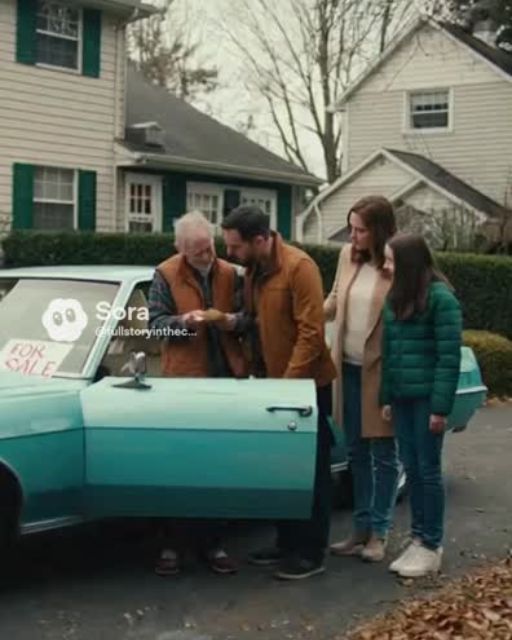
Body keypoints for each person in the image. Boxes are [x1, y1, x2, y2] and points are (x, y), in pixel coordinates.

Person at [221, 205, 337, 580]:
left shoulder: (300, 268)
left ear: (260, 239)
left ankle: (311, 553)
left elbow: (311, 332)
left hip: (306, 387)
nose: (229, 253)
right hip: (273, 384)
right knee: (282, 469)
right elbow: (256, 323)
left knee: (312, 471)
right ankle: (286, 542)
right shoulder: (254, 271)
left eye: (235, 246)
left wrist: (289, 385)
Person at [148, 210, 247, 576]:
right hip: (183, 382)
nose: (207, 255)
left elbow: (248, 317)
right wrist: (184, 323)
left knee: (218, 466)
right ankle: (172, 544)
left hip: (224, 378)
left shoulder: (230, 273)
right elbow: (155, 326)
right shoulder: (165, 273)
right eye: (197, 251)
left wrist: (230, 321)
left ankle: (214, 544)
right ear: (181, 249)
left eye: (209, 247)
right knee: (178, 465)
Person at [380, 233, 462, 578]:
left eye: (390, 261)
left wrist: (440, 408)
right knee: (411, 468)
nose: (385, 267)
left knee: (428, 470)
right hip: (402, 398)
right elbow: (388, 353)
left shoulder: (442, 300)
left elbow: (448, 358)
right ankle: (417, 538)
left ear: (408, 264)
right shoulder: (396, 298)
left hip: (427, 398)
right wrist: (386, 397)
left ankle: (431, 544)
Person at [326, 196, 400, 563]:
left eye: (360, 230)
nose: (353, 236)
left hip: (381, 372)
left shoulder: (396, 263)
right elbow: (334, 300)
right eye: (351, 228)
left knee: (383, 455)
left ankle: (379, 533)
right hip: (348, 368)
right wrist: (303, 314)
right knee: (355, 451)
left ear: (380, 231)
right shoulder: (347, 256)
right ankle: (359, 529)